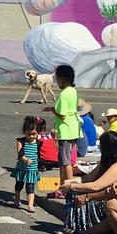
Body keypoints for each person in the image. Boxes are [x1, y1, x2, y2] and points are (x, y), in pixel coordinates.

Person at [56, 131, 117, 234]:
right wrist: (69, 182)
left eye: (101, 145)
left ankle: (80, 229)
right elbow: (88, 178)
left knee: (78, 192)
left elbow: (96, 186)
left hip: (115, 200)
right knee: (75, 188)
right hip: (102, 195)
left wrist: (72, 187)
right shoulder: (107, 162)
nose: (99, 148)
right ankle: (72, 226)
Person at [45, 64, 80, 198]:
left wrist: (53, 110)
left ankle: (67, 189)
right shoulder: (73, 91)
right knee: (62, 160)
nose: (56, 81)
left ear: (63, 79)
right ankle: (62, 187)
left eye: (58, 78)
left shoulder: (65, 93)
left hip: (66, 130)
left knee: (65, 162)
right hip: (72, 129)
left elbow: (63, 115)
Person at [11, 116, 40, 213]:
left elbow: (40, 154)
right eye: (29, 134)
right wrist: (25, 159)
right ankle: (17, 199)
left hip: (32, 170)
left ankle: (30, 205)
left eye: (34, 134)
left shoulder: (38, 143)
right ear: (24, 132)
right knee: (18, 185)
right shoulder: (21, 141)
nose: (31, 136)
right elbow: (19, 153)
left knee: (30, 187)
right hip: (21, 168)